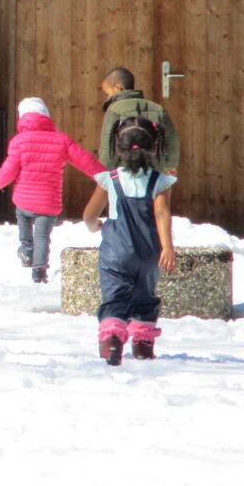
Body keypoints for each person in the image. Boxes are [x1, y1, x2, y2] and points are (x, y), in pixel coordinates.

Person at [82, 117, 176, 366]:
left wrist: (94, 225)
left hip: (116, 251)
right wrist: (167, 247)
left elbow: (90, 214)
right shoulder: (160, 181)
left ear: (118, 148)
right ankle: (143, 345)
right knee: (145, 296)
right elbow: (161, 213)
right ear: (154, 147)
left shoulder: (110, 179)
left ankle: (112, 341)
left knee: (115, 296)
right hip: (149, 253)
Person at [0, 97, 104, 284]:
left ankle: (27, 248)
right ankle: (39, 271)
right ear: (46, 117)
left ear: (23, 118)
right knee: (42, 235)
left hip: (24, 200)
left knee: (23, 217)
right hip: (49, 202)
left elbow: (9, 170)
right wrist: (106, 176)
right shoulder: (62, 140)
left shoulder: (19, 141)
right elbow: (86, 162)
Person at [98, 67, 179, 174]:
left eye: (107, 93)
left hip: (124, 172)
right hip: (154, 171)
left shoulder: (114, 110)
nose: (107, 97)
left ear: (118, 88)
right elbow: (172, 141)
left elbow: (108, 147)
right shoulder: (158, 109)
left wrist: (103, 171)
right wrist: (169, 166)